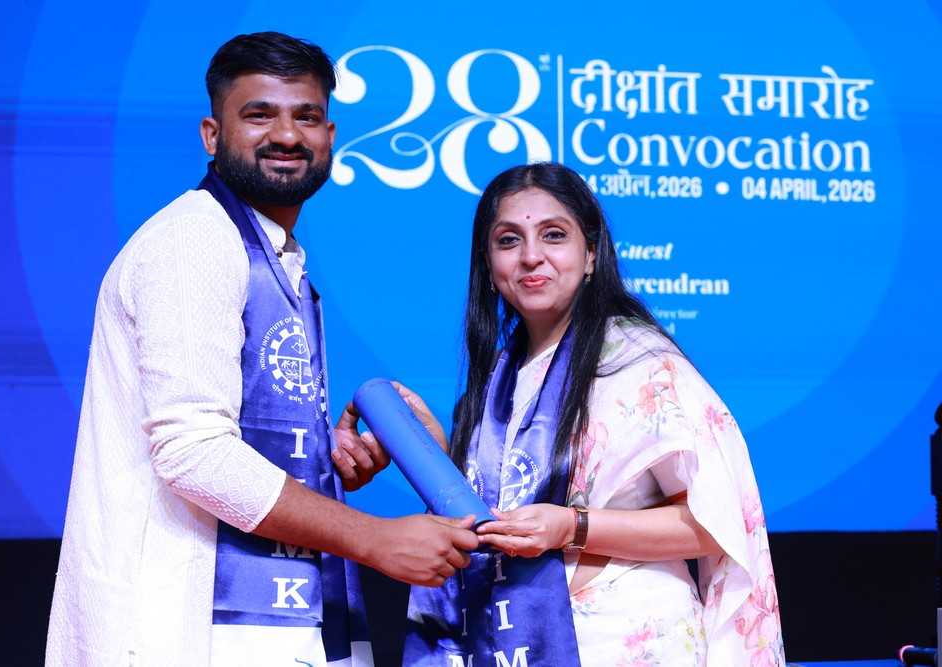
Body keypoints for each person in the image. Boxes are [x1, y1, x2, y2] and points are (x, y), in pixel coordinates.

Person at [45, 31, 478, 667]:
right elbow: (194, 452)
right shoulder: (194, 241)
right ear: (211, 135)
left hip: (258, 616)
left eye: (307, 116)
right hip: (184, 621)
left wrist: (320, 458)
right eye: (259, 114)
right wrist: (375, 539)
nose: (287, 135)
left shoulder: (274, 256)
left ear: (330, 135)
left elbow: (226, 431)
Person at [404, 162, 784, 666]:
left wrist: (573, 527)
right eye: (509, 240)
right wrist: (436, 455)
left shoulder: (643, 364)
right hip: (511, 643)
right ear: (488, 264)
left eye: (554, 235)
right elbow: (499, 516)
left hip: (628, 642)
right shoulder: (497, 375)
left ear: (590, 255)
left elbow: (714, 524)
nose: (531, 256)